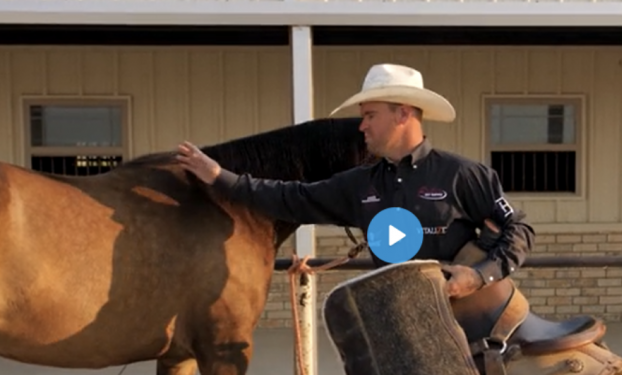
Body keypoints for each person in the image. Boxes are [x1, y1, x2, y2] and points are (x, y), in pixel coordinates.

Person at [175, 63, 535, 301]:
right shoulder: (359, 185)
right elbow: (290, 197)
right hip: (395, 324)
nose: (361, 126)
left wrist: (479, 276)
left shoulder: (461, 174)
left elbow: (518, 228)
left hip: (468, 327)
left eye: (370, 115)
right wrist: (221, 178)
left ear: (403, 114)